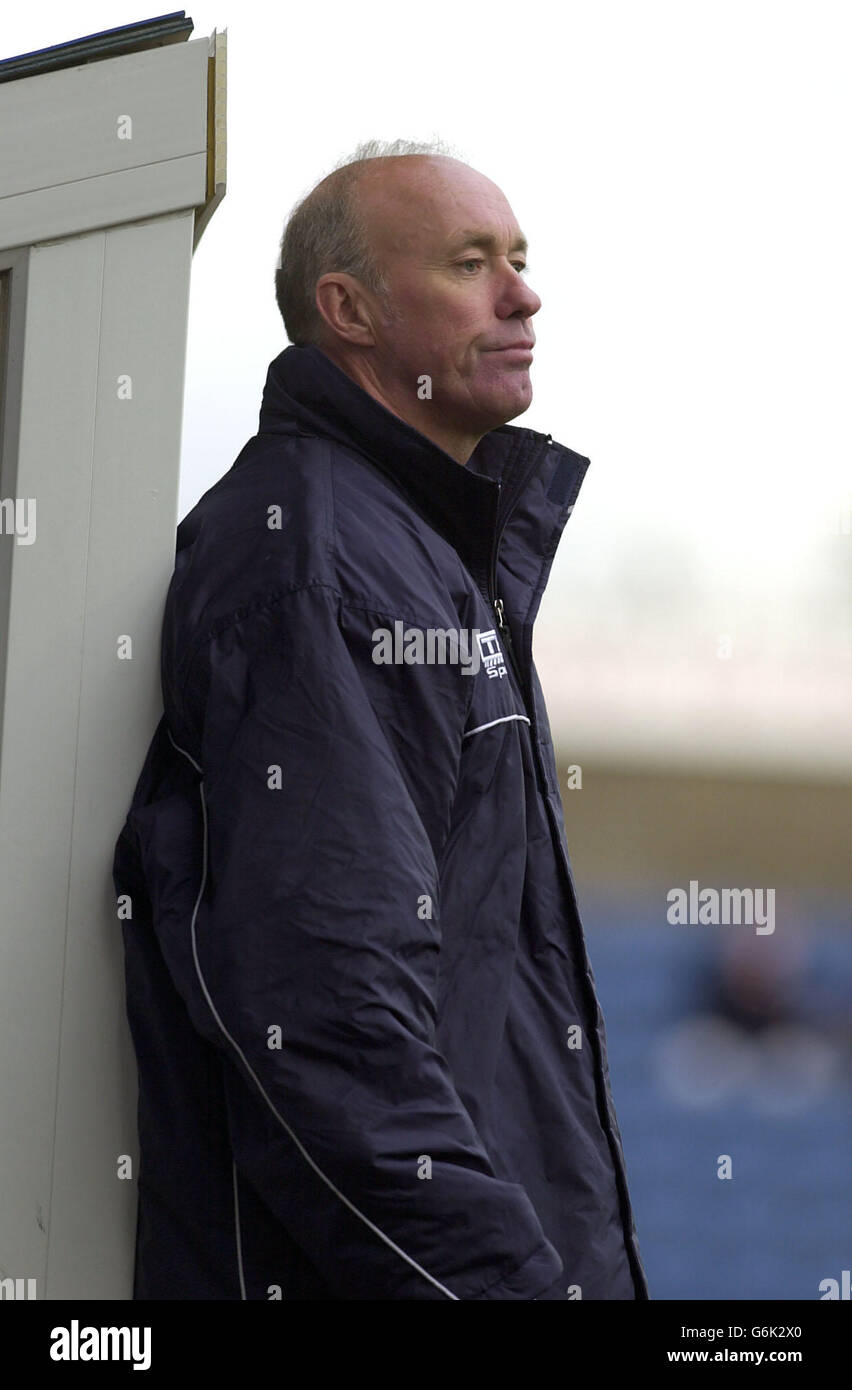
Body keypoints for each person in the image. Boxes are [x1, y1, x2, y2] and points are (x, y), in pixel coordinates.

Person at [112, 137, 649, 1301]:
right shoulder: (323, 562)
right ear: (347, 308)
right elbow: (328, 1013)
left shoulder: (413, 553)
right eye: (470, 262)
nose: (523, 293)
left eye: (517, 257)